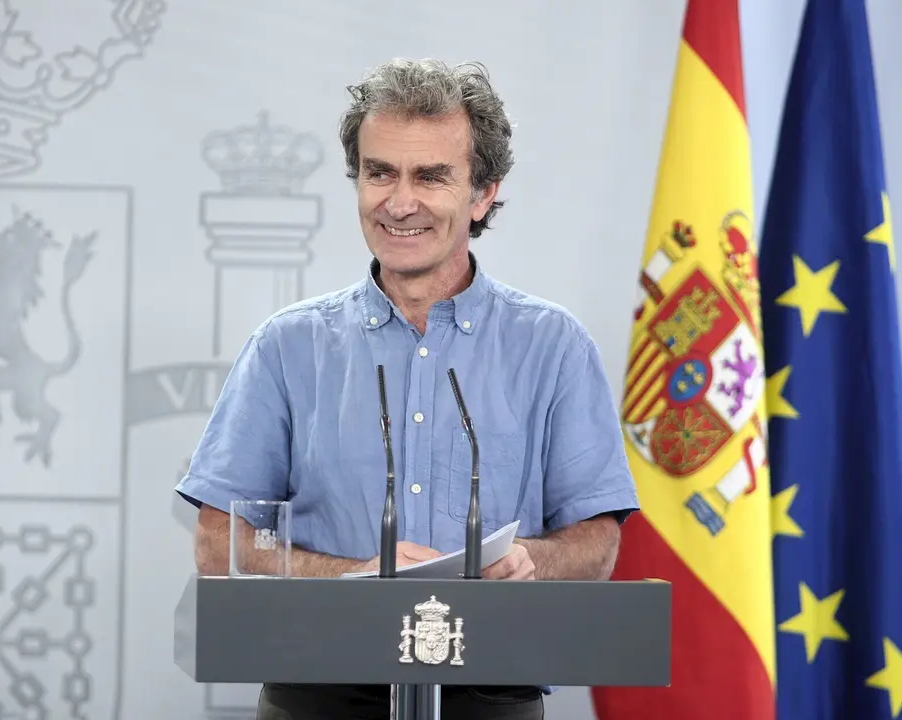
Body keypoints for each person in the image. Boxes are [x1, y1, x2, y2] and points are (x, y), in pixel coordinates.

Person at [176, 58, 640, 720]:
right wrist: (348, 580)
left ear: (482, 195)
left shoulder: (553, 346)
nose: (398, 202)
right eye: (379, 173)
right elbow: (219, 540)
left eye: (430, 176)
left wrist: (533, 559)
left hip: (489, 694)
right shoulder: (286, 346)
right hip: (318, 693)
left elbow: (597, 541)